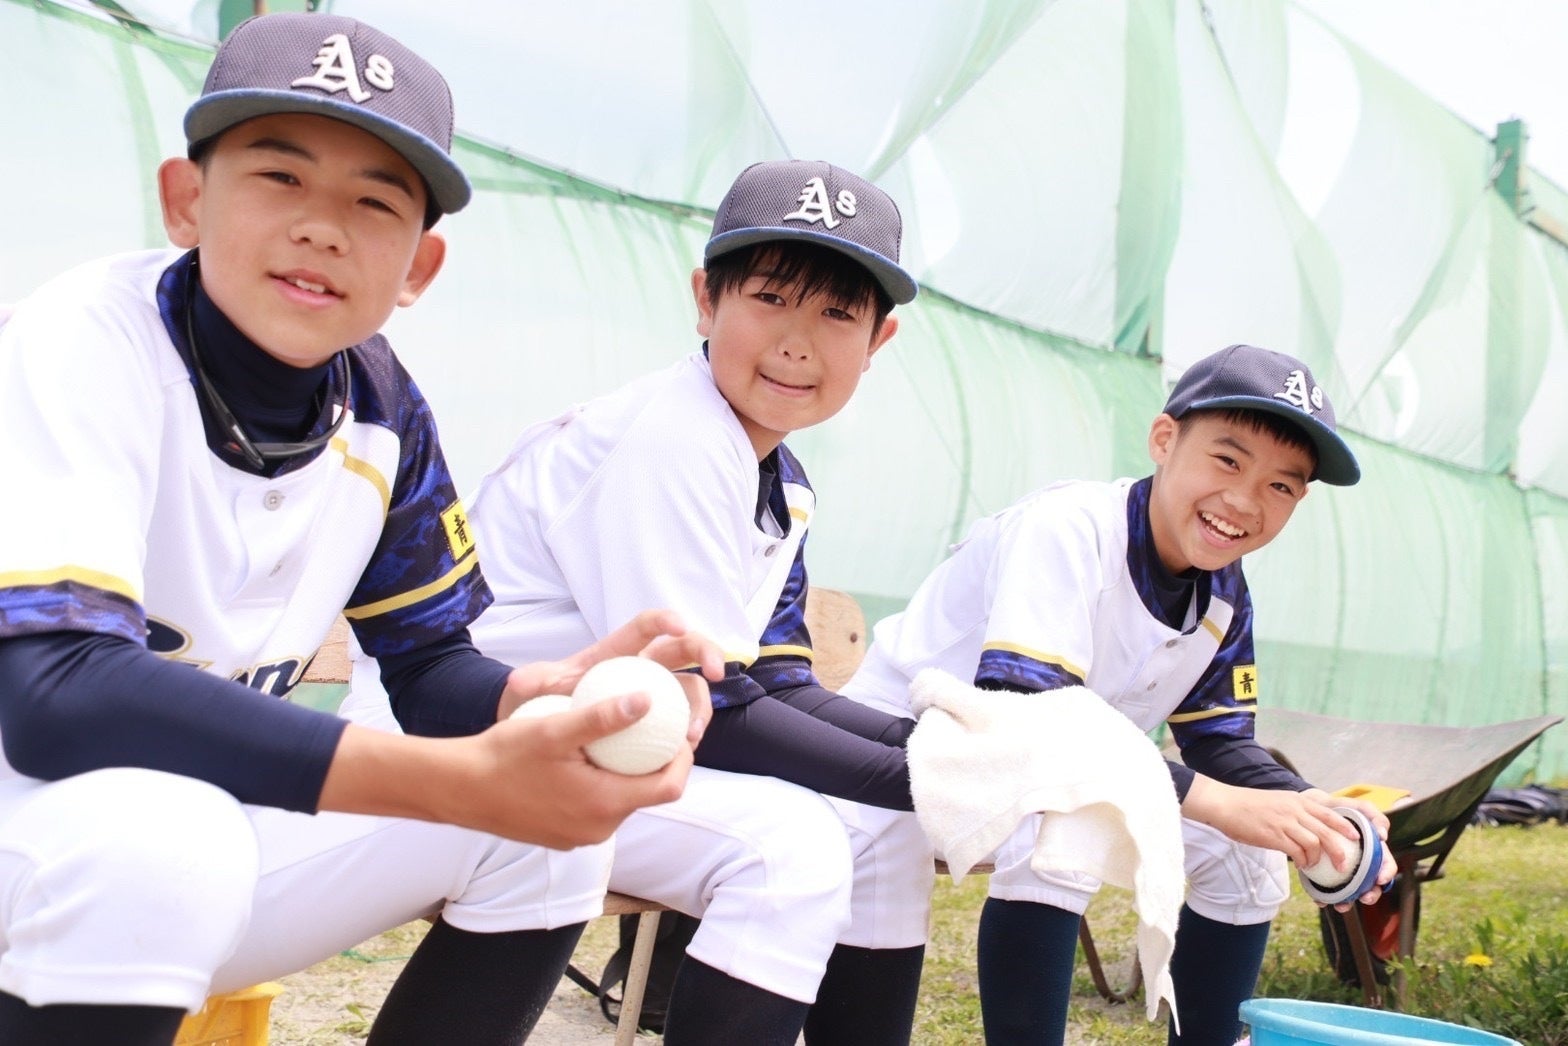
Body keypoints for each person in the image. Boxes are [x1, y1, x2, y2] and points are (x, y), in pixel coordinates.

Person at [0, 13, 721, 1046]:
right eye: (279, 176)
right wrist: (465, 780)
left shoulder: (381, 407)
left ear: (419, 266)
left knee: (542, 842)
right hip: (44, 821)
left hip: (187, 839)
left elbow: (427, 669)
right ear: (186, 200)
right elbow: (55, 697)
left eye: (373, 201)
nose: (322, 227)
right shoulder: (82, 339)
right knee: (163, 842)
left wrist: (530, 694)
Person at [345, 158, 932, 1045]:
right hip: (450, 745)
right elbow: (716, 713)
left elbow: (778, 682)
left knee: (882, 832)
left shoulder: (777, 476)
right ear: (706, 300)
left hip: (593, 748)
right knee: (790, 846)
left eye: (837, 313)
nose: (798, 341)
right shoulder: (673, 437)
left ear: (877, 341)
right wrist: (935, 780)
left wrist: (935, 755)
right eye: (771, 296)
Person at [841, 343, 1397, 1045]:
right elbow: (1030, 724)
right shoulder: (1071, 526)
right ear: (1164, 440)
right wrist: (1225, 803)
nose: (1244, 500)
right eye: (1228, 460)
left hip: (1042, 766)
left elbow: (1219, 741)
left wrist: (1306, 809)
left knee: (1246, 856)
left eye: (1280, 485)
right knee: (1068, 821)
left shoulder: (1223, 592)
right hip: (896, 753)